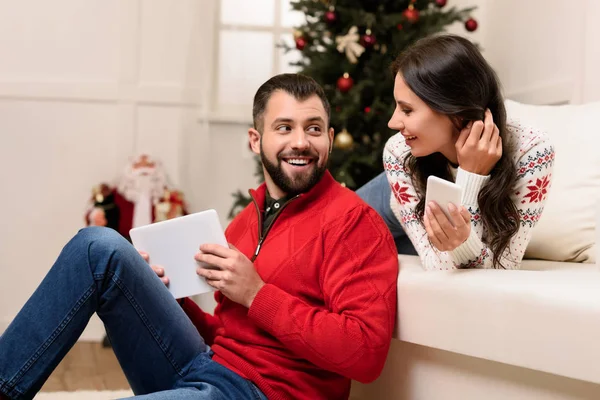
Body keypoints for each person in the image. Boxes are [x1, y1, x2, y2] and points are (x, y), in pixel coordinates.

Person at [0, 74, 399, 400]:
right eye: (284, 127)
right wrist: (168, 298)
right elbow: (226, 336)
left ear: (329, 138)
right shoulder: (242, 224)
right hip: (205, 368)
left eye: (313, 129)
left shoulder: (354, 222)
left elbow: (365, 354)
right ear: (255, 140)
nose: (300, 141)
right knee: (98, 246)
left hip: (265, 394)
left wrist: (257, 294)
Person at [359, 34, 554, 270]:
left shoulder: (532, 152)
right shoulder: (399, 152)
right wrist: (471, 175)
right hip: (391, 197)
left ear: (455, 110)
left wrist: (471, 175)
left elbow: (501, 268)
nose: (393, 122)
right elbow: (438, 262)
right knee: (326, 234)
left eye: (407, 110)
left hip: (426, 213)